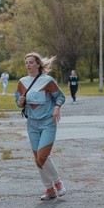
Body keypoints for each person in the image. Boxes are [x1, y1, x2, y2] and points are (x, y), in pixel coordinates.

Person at [15, 52, 66, 200]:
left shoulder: (47, 80)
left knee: (42, 156)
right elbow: (17, 101)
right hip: (32, 124)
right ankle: (49, 189)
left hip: (48, 122)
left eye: (31, 62)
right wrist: (20, 101)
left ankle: (57, 183)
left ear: (38, 64)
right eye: (26, 63)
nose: (28, 65)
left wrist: (57, 107)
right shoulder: (22, 82)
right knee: (38, 158)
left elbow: (60, 96)